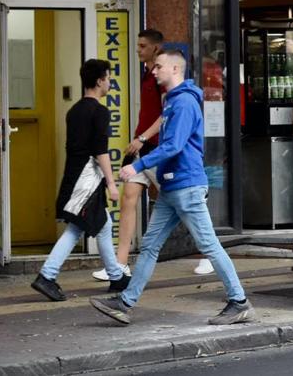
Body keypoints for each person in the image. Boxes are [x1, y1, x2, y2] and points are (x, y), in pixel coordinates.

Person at [91, 49, 252, 325]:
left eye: (158, 67)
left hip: (186, 186)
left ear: (176, 69)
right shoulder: (173, 101)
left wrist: (137, 166)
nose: (153, 72)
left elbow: (173, 145)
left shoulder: (184, 103)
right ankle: (124, 302)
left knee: (209, 245)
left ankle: (238, 301)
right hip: (172, 188)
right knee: (151, 245)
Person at [92, 29, 215, 281]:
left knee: (190, 205)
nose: (138, 49)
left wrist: (143, 137)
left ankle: (209, 255)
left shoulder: (163, 81)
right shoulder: (149, 74)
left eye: (142, 45)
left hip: (161, 152)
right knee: (129, 198)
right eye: (137, 45)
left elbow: (165, 115)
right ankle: (120, 263)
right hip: (146, 150)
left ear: (156, 49)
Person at [31, 59, 130, 301]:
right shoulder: (100, 112)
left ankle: (116, 276)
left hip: (74, 175)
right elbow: (100, 151)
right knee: (76, 228)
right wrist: (111, 183)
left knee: (103, 224)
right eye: (108, 78)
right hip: (87, 179)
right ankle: (47, 275)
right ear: (99, 81)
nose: (110, 83)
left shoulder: (74, 110)